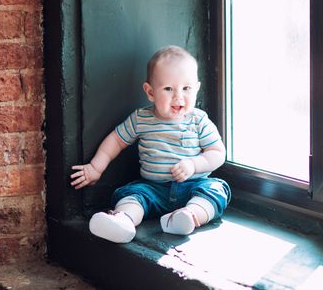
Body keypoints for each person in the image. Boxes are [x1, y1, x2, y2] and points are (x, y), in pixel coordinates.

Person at [70, 45, 230, 243]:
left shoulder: (199, 120)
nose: (178, 96)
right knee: (132, 195)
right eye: (168, 89)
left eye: (186, 88)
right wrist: (95, 167)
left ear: (196, 88)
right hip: (153, 189)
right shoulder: (141, 119)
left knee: (215, 190)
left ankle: (188, 217)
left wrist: (193, 164)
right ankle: (123, 221)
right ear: (150, 92)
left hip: (193, 186)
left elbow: (217, 152)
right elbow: (116, 141)